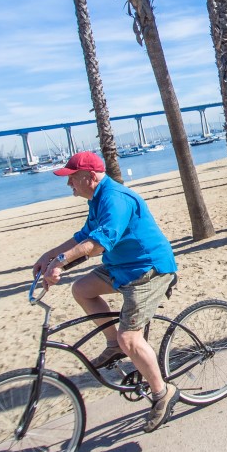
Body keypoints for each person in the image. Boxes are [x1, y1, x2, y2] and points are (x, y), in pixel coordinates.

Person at [32, 151, 181, 433]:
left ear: (90, 177)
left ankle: (163, 393)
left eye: (72, 178)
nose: (68, 184)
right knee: (82, 289)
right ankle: (114, 345)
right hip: (121, 267)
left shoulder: (115, 199)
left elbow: (97, 244)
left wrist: (60, 262)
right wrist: (48, 256)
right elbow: (83, 237)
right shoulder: (97, 198)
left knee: (130, 338)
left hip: (148, 271)